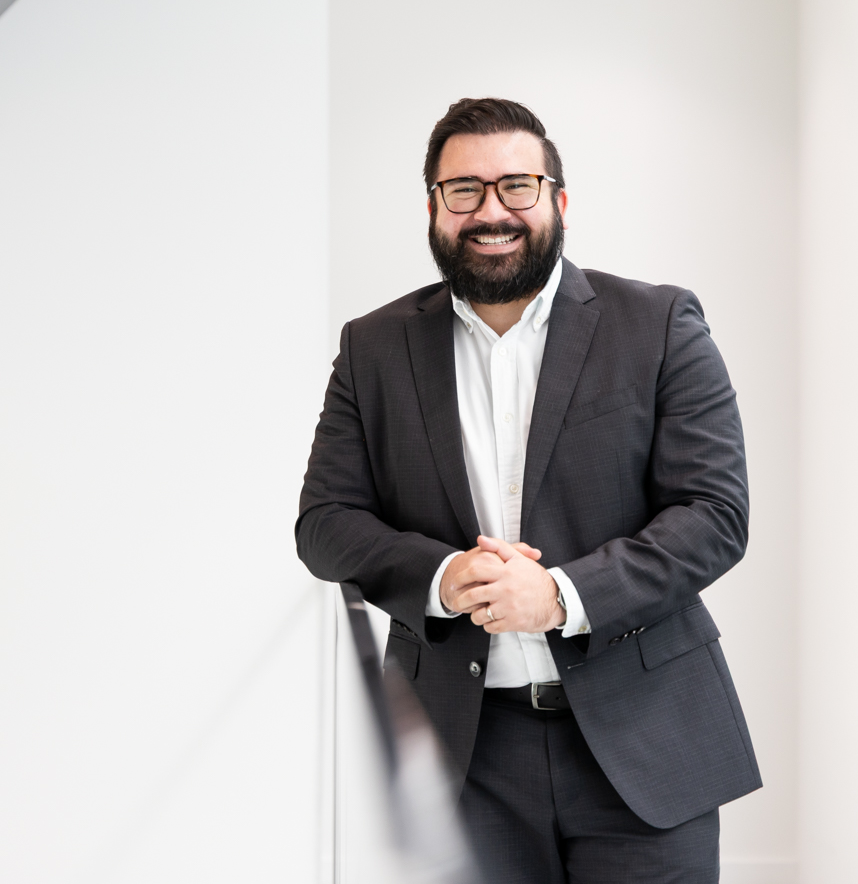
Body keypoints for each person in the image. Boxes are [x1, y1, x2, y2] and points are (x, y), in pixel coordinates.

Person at [297, 98, 761, 883]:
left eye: (517, 186)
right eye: (464, 190)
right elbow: (325, 522)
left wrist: (560, 595)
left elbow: (715, 514)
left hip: (645, 737)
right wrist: (444, 578)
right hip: (460, 755)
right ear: (434, 208)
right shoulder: (372, 347)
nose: (492, 211)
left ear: (559, 201)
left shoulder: (657, 323)